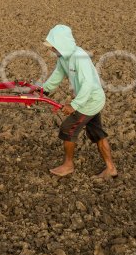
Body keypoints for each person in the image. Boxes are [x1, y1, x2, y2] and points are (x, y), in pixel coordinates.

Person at [40, 24, 117, 178]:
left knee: (68, 129)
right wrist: (43, 90)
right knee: (97, 134)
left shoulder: (79, 57)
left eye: (54, 46)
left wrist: (74, 105)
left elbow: (88, 85)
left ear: (62, 44)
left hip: (90, 101)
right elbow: (57, 76)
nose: (52, 49)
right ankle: (111, 168)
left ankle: (68, 165)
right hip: (90, 101)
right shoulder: (63, 58)